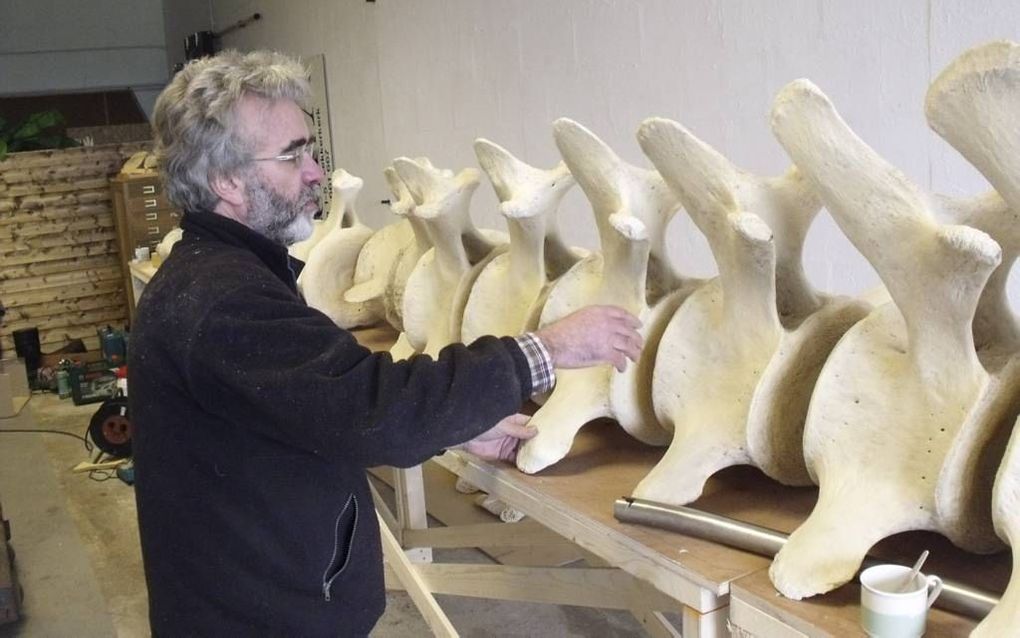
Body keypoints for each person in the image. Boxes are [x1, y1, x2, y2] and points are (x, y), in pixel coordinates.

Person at [130, 49, 643, 637]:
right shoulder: (224, 301)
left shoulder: (222, 274)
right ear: (226, 181)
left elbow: (321, 407)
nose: (315, 172)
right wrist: (546, 350)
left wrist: (455, 421)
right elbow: (376, 409)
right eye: (293, 153)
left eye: (309, 148)